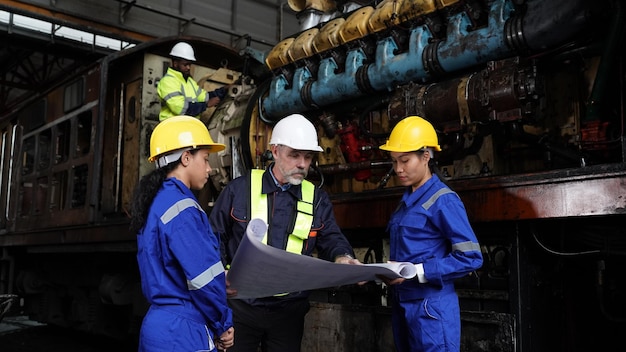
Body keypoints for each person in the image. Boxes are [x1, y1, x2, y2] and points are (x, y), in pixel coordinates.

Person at [209, 113, 362, 352]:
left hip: (288, 312)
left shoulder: (317, 198)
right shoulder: (239, 190)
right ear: (275, 150)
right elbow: (214, 240)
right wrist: (218, 284)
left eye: (308, 157)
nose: (302, 164)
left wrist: (342, 256)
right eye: (294, 155)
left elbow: (331, 237)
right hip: (240, 308)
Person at [377, 116, 483, 352]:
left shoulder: (443, 200)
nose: (398, 169)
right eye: (394, 162)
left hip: (431, 309)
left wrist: (418, 271)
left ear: (426, 156)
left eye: (404, 160)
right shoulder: (407, 202)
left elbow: (471, 257)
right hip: (404, 304)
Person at [130, 115, 234, 352]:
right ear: (186, 157)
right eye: (206, 159)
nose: (209, 168)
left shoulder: (153, 203)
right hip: (183, 332)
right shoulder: (183, 208)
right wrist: (222, 324)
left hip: (159, 327)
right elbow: (203, 278)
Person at [157, 42, 227, 121]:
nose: (188, 67)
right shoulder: (168, 81)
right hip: (173, 126)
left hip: (189, 126)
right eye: (185, 64)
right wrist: (206, 105)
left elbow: (205, 97)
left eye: (190, 64)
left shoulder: (189, 81)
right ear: (175, 63)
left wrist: (224, 89)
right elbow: (180, 108)